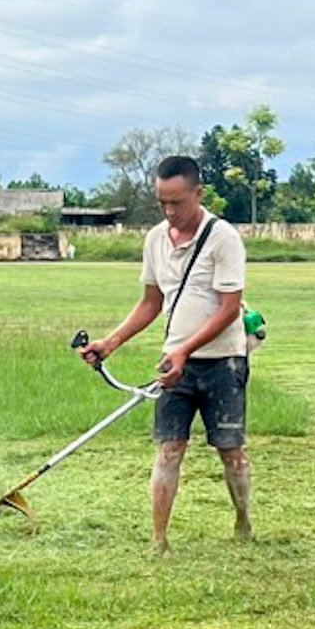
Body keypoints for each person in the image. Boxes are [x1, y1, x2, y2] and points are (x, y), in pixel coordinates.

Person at [80, 154, 252, 554]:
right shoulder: (156, 238)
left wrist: (186, 350)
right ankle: (159, 540)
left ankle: (243, 520)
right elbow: (150, 303)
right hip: (173, 364)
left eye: (177, 201)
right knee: (169, 448)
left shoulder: (223, 238)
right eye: (162, 202)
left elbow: (230, 309)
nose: (170, 211)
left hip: (224, 361)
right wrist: (110, 342)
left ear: (198, 193)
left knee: (230, 449)